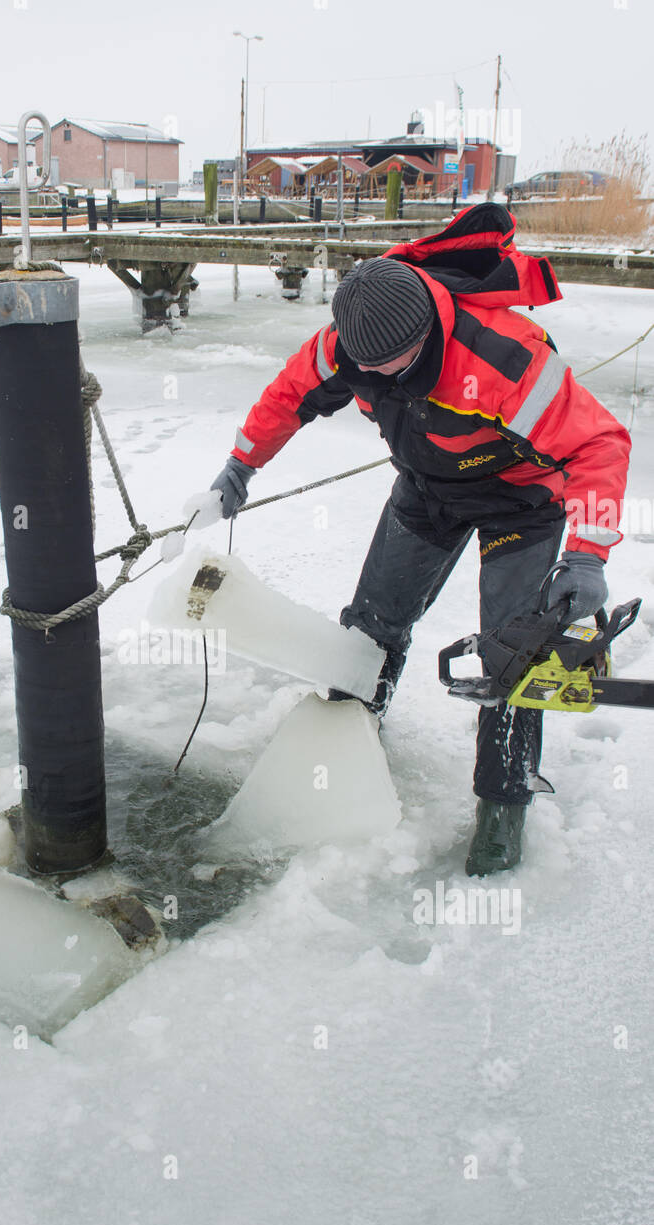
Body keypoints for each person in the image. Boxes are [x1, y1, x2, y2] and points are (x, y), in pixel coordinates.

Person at [208, 204, 630, 876]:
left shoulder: (501, 359)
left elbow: (599, 443)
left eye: (395, 365)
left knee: (513, 662)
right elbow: (287, 396)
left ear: (427, 331)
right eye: (364, 368)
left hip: (521, 501)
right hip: (427, 491)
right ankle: (346, 740)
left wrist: (586, 554)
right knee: (370, 624)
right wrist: (240, 465)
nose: (377, 379)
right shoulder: (345, 346)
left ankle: (503, 806)